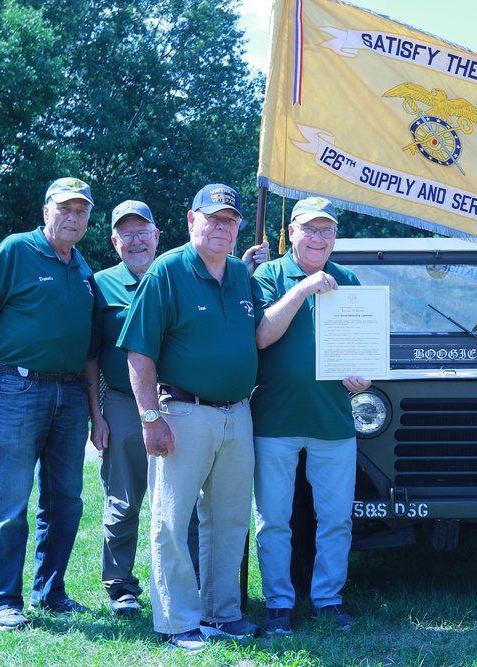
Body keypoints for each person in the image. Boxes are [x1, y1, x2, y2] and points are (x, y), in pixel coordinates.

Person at [117, 183, 260, 652]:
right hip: (183, 411)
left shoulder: (241, 275)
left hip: (237, 414)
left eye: (230, 220)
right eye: (213, 218)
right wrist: (150, 417)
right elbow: (139, 350)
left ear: (239, 228)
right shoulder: (167, 271)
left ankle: (222, 613)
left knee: (231, 518)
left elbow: (258, 335)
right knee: (171, 521)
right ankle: (177, 620)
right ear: (191, 220)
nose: (222, 227)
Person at [0, 177, 102, 632]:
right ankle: (2, 599)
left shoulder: (82, 268)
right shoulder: (15, 250)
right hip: (18, 390)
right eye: (65, 208)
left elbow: (92, 351)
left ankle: (51, 591)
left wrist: (97, 412)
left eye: (81, 211)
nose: (73, 217)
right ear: (46, 211)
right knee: (12, 500)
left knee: (66, 501)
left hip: (72, 395)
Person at [251, 196, 370, 636]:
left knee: (336, 518)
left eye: (327, 230)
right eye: (310, 229)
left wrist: (365, 379)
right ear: (292, 233)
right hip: (275, 421)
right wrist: (302, 287)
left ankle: (328, 600)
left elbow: (363, 353)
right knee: (273, 520)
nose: (318, 237)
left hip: (332, 421)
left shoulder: (350, 280)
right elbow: (262, 337)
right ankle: (279, 604)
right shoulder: (268, 274)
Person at [90, 200, 167, 617]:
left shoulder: (174, 275)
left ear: (157, 236)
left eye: (143, 232)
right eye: (127, 233)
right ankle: (121, 586)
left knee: (180, 500)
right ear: (115, 241)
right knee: (122, 500)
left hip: (176, 401)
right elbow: (89, 356)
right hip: (122, 403)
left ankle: (177, 579)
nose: (136, 240)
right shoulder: (99, 285)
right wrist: (96, 415)